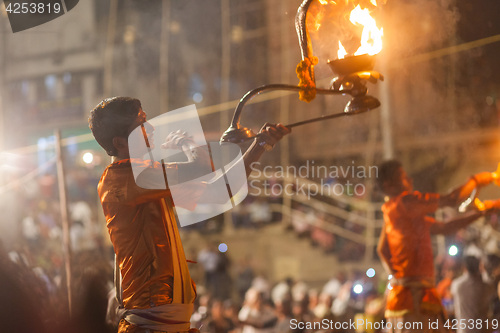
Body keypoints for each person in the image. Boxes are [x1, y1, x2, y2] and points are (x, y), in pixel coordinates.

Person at [88, 96, 289, 333]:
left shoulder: (146, 180)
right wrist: (186, 144)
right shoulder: (123, 178)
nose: (151, 128)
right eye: (141, 124)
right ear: (121, 143)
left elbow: (221, 190)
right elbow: (201, 167)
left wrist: (261, 144)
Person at [376, 160, 495, 333]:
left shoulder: (396, 214)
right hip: (412, 299)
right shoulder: (405, 203)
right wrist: (479, 179)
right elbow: (452, 199)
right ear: (389, 186)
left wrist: (481, 213)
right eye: (403, 177)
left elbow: (445, 228)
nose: (409, 180)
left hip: (412, 294)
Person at [451, 256, 494, 333]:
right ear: (479, 267)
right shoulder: (486, 285)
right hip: (483, 328)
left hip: (465, 329)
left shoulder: (458, 284)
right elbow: (489, 283)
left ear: (464, 267)